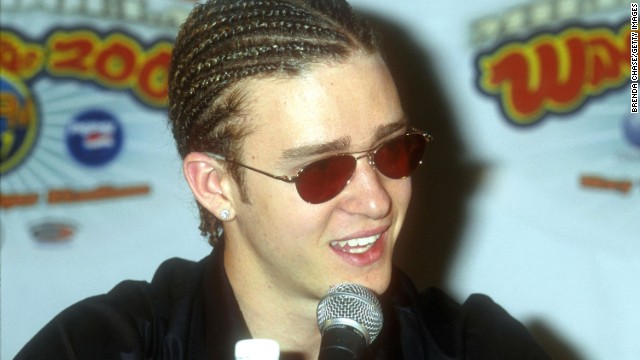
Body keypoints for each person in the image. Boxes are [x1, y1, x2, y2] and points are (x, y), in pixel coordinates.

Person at [16, 0, 551, 359]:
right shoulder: (105, 347)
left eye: (392, 151)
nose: (375, 201)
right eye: (323, 171)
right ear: (215, 185)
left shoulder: (474, 347)